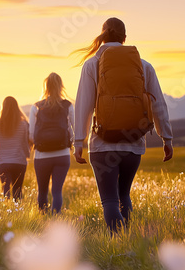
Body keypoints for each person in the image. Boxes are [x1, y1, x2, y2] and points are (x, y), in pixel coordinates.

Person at [73, 17, 173, 232]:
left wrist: (78, 141)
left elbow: (83, 106)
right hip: (133, 145)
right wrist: (167, 138)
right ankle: (129, 247)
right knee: (124, 195)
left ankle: (120, 247)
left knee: (109, 201)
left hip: (102, 145)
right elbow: (159, 106)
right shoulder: (143, 66)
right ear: (125, 38)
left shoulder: (92, 64)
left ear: (101, 36)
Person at [29, 72, 73, 213]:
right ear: (61, 86)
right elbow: (74, 130)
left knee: (42, 191)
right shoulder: (68, 105)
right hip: (62, 154)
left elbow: (30, 133)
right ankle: (55, 218)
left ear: (46, 86)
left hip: (42, 156)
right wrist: (70, 141)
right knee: (57, 191)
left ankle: (43, 218)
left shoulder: (36, 107)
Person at [0, 96, 30, 201]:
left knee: (6, 190)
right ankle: (18, 214)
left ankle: (6, 213)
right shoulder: (23, 124)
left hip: (3, 163)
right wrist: (27, 155)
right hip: (20, 162)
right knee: (18, 190)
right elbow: (25, 144)